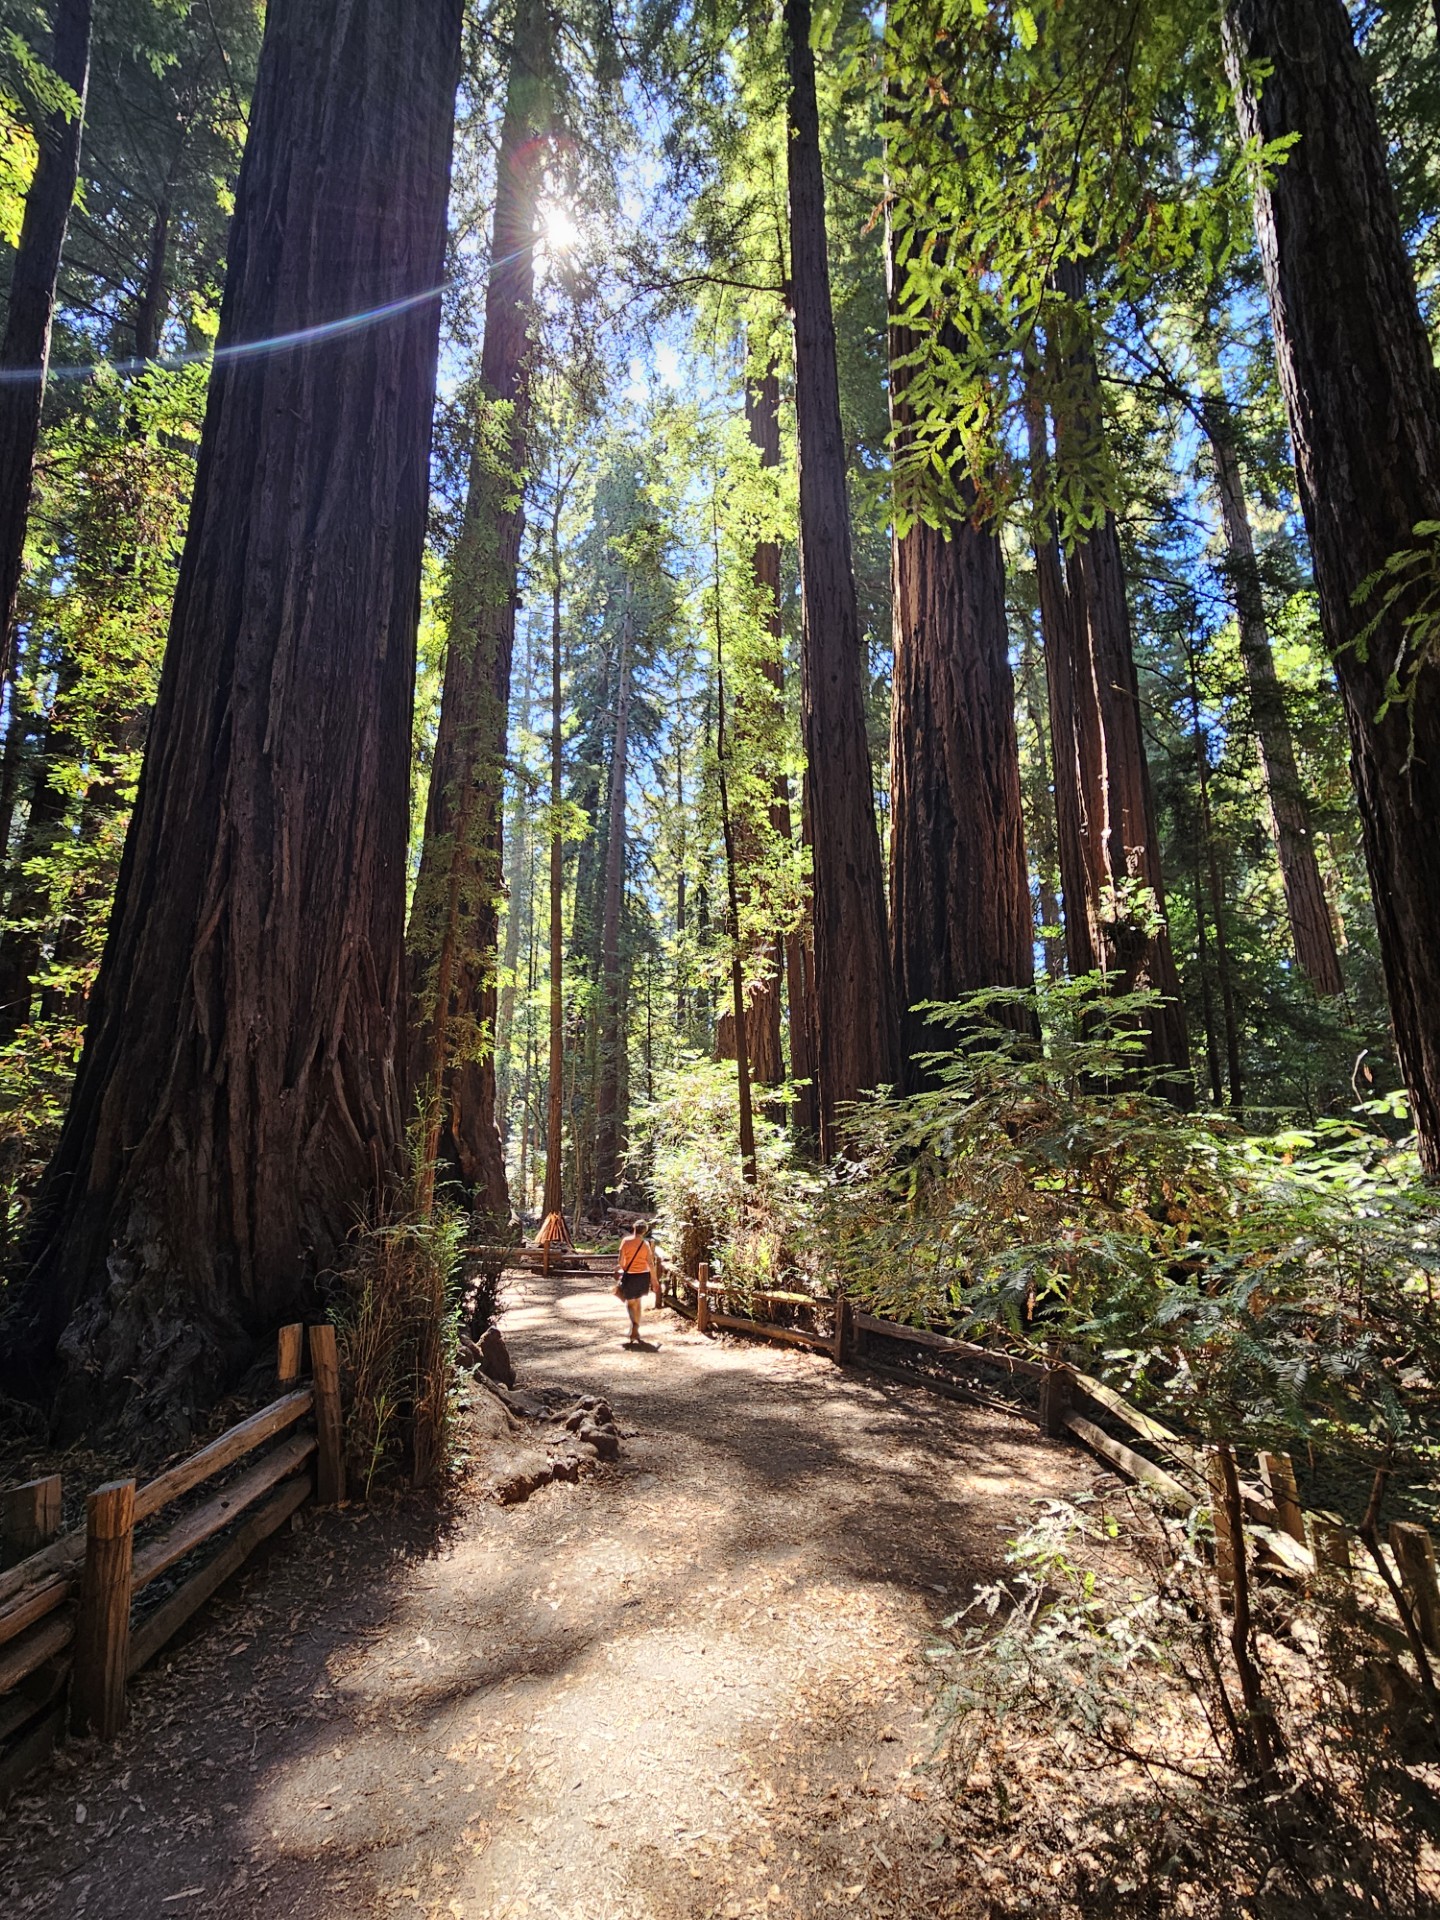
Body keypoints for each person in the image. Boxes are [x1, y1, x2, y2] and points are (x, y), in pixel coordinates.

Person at [613, 1218, 656, 1346]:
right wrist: (654, 1280)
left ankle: (634, 1326)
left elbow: (620, 1260)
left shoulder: (625, 1242)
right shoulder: (646, 1244)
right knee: (638, 1302)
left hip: (630, 1275)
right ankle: (635, 1328)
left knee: (630, 1303)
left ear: (634, 1228)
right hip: (643, 1276)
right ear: (644, 1231)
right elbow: (650, 1263)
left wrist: (625, 1268)